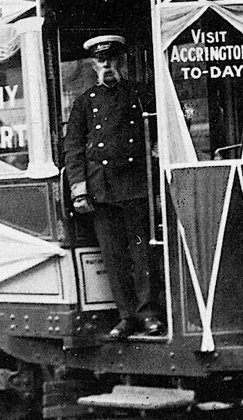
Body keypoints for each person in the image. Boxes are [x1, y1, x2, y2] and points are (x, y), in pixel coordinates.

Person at [64, 34, 165, 341]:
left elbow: (164, 133)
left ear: (121, 61)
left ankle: (149, 314)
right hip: (103, 189)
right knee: (113, 256)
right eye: (100, 60)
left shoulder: (141, 94)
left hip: (136, 185)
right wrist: (79, 189)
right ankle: (126, 316)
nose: (106, 65)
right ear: (93, 64)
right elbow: (74, 148)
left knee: (143, 253)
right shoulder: (84, 103)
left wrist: (159, 183)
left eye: (111, 59)